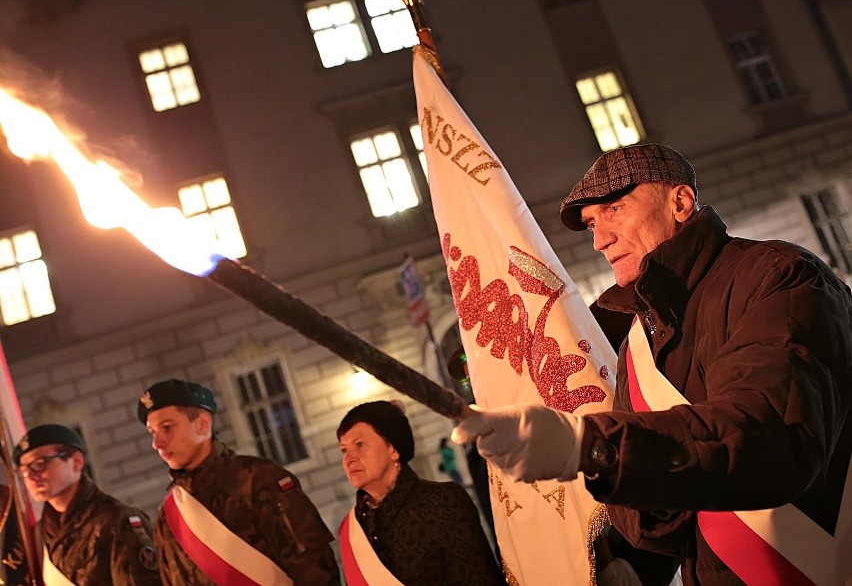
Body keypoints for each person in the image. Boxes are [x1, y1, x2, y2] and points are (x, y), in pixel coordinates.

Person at [452, 143, 852, 585]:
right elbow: (651, 521)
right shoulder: (636, 340)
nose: (600, 239)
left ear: (679, 202)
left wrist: (588, 446)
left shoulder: (779, 276)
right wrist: (619, 563)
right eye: (591, 224)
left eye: (614, 208)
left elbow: (772, 433)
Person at [138, 378, 340, 586]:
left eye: (167, 428)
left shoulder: (258, 479)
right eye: (152, 433)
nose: (157, 443)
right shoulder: (168, 517)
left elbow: (314, 567)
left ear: (202, 424)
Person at [336, 400, 504, 586]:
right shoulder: (352, 527)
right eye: (344, 450)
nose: (349, 459)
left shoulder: (442, 501)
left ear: (392, 448)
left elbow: (479, 579)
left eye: (359, 444)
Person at [13, 424, 161, 585]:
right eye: (24, 471)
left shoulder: (117, 521)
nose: (31, 477)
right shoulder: (39, 534)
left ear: (76, 462)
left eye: (39, 464)